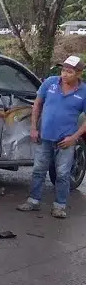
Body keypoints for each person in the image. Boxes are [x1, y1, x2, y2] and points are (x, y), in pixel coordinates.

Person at [17, 55, 86, 219]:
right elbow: (37, 104)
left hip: (66, 141)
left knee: (62, 174)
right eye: (63, 70)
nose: (64, 74)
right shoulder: (50, 83)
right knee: (38, 170)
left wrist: (74, 138)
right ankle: (33, 201)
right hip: (44, 137)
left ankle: (59, 206)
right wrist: (34, 128)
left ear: (79, 73)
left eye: (69, 72)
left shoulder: (84, 91)